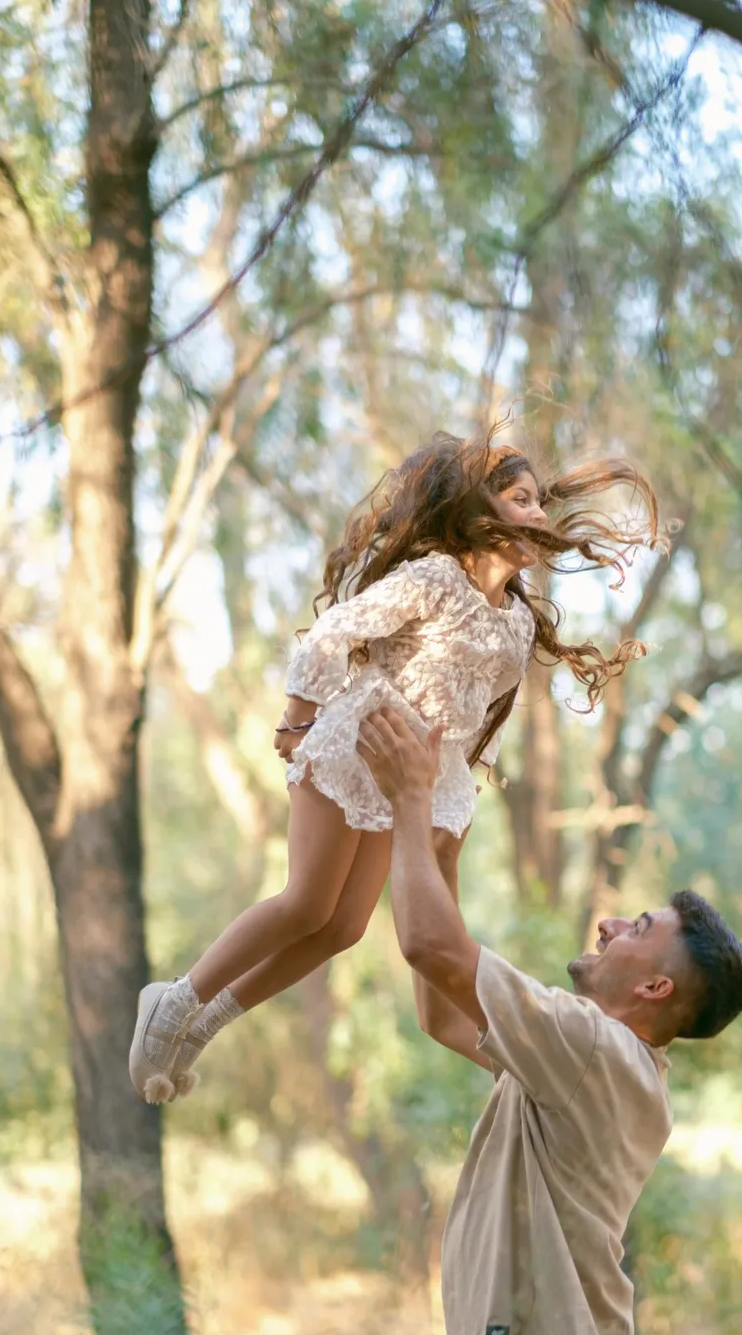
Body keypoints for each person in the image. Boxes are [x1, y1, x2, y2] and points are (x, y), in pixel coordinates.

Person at [130, 430, 659, 1104]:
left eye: (539, 503)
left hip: (409, 775)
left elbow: (483, 715)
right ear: (478, 514)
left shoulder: (517, 623)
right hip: (358, 745)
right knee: (306, 902)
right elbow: (334, 632)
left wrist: (453, 796)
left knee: (343, 928)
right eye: (521, 499)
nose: (537, 514)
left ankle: (202, 1027)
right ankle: (172, 1003)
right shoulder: (435, 577)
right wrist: (298, 718)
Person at [355, 707, 742, 1335]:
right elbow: (441, 1013)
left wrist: (409, 800)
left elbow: (430, 947)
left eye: (636, 928)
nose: (609, 924)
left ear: (654, 989)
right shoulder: (594, 1063)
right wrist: (442, 849)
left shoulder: (593, 1050)